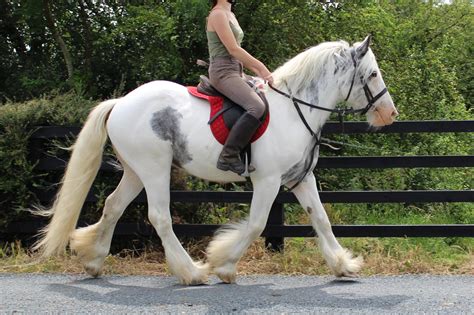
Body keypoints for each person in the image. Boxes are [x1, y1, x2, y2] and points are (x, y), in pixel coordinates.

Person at [207, 0, 273, 175]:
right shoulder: (218, 14)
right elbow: (233, 49)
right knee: (256, 106)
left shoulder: (231, 14)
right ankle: (228, 155)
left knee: (268, 97)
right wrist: (262, 70)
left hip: (237, 71)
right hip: (223, 73)